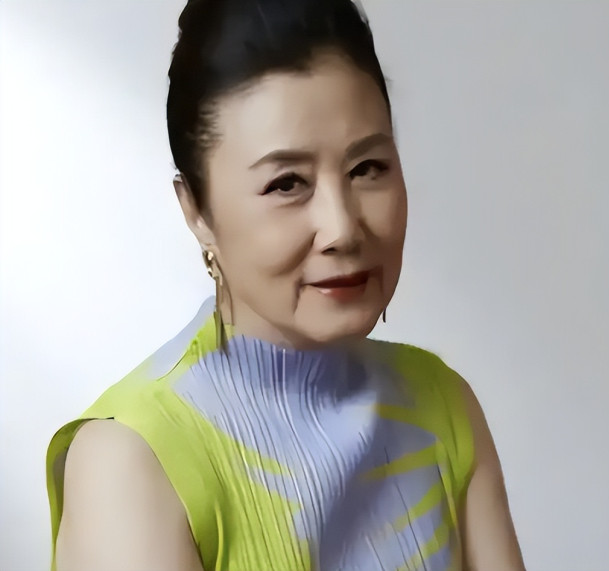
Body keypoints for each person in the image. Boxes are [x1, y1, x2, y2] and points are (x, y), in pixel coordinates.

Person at [46, 0, 526, 569]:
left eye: (367, 169)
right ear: (196, 209)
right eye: (287, 183)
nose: (342, 227)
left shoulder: (441, 405)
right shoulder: (131, 461)